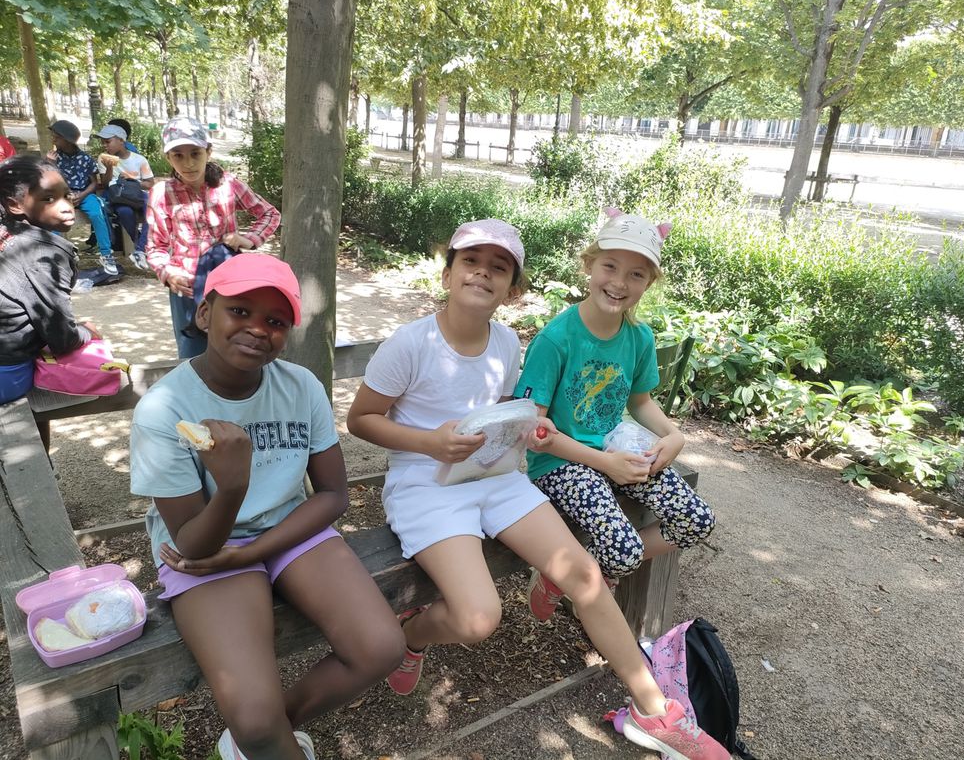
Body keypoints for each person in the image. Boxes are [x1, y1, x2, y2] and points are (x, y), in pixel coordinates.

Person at [346, 219, 729, 760]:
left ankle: (654, 710)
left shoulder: (506, 340)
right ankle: (414, 636)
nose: (483, 272)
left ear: (513, 287)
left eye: (498, 267)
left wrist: (534, 430)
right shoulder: (411, 342)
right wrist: (430, 442)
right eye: (471, 261)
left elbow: (515, 417)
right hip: (427, 484)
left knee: (587, 576)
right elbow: (361, 420)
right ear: (449, 269)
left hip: (497, 476)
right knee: (479, 619)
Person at [129, 253, 404, 760]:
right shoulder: (164, 410)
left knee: (381, 648)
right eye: (240, 311)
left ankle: (262, 739)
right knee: (255, 716)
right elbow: (192, 541)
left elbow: (333, 495)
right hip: (204, 549)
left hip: (290, 529)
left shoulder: (300, 387)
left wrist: (252, 550)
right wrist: (232, 487)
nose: (257, 329)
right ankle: (263, 737)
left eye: (275, 321)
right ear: (205, 313)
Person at [515, 209, 715, 620]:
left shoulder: (638, 337)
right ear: (589, 266)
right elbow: (533, 429)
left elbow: (640, 401)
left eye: (637, 274)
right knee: (624, 551)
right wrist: (606, 464)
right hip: (561, 462)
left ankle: (579, 573)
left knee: (697, 521)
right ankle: (590, 573)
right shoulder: (556, 339)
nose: (620, 283)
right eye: (610, 266)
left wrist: (673, 435)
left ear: (649, 282)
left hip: (616, 449)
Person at [146, 116, 280, 359]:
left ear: (208, 151)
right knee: (192, 355)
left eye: (195, 153)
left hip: (230, 285)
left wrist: (249, 239)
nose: (188, 163)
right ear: (168, 158)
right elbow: (156, 246)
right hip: (186, 289)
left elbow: (269, 214)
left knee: (236, 348)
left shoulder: (227, 185)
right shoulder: (161, 194)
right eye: (178, 155)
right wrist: (168, 274)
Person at [0, 155, 102, 447]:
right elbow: (61, 337)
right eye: (49, 198)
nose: (66, 206)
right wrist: (86, 331)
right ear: (15, 204)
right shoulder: (44, 253)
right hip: (8, 371)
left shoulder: (7, 234)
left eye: (66, 196)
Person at [45, 119, 118, 275]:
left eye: (56, 137)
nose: (53, 140)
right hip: (61, 195)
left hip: (84, 194)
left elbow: (94, 183)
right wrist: (50, 164)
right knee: (54, 218)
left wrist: (82, 195)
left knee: (97, 213)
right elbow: (49, 182)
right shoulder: (53, 157)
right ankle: (58, 255)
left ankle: (106, 254)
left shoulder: (85, 159)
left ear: (67, 140)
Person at [95, 122, 153, 270]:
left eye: (108, 142)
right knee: (124, 212)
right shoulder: (103, 159)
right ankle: (141, 246)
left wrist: (133, 181)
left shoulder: (139, 160)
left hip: (138, 194)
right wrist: (109, 168)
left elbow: (149, 184)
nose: (105, 146)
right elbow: (106, 183)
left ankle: (140, 249)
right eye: (103, 142)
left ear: (121, 140)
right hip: (120, 196)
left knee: (150, 208)